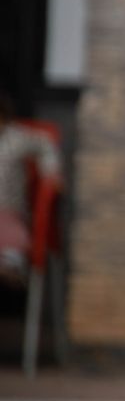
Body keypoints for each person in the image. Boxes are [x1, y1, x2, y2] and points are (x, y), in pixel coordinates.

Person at [0, 89, 60, 288]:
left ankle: (11, 262)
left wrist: (50, 172)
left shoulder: (16, 137)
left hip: (8, 211)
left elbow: (45, 144)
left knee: (12, 237)